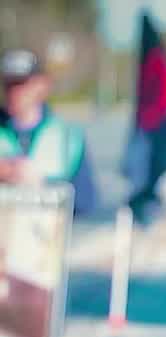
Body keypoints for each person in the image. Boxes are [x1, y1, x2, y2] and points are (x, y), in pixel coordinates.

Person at [0, 49, 96, 216]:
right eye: (9, 84)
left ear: (42, 85)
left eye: (21, 83)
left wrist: (43, 185)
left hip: (46, 236)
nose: (14, 92)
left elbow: (85, 202)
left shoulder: (68, 138)